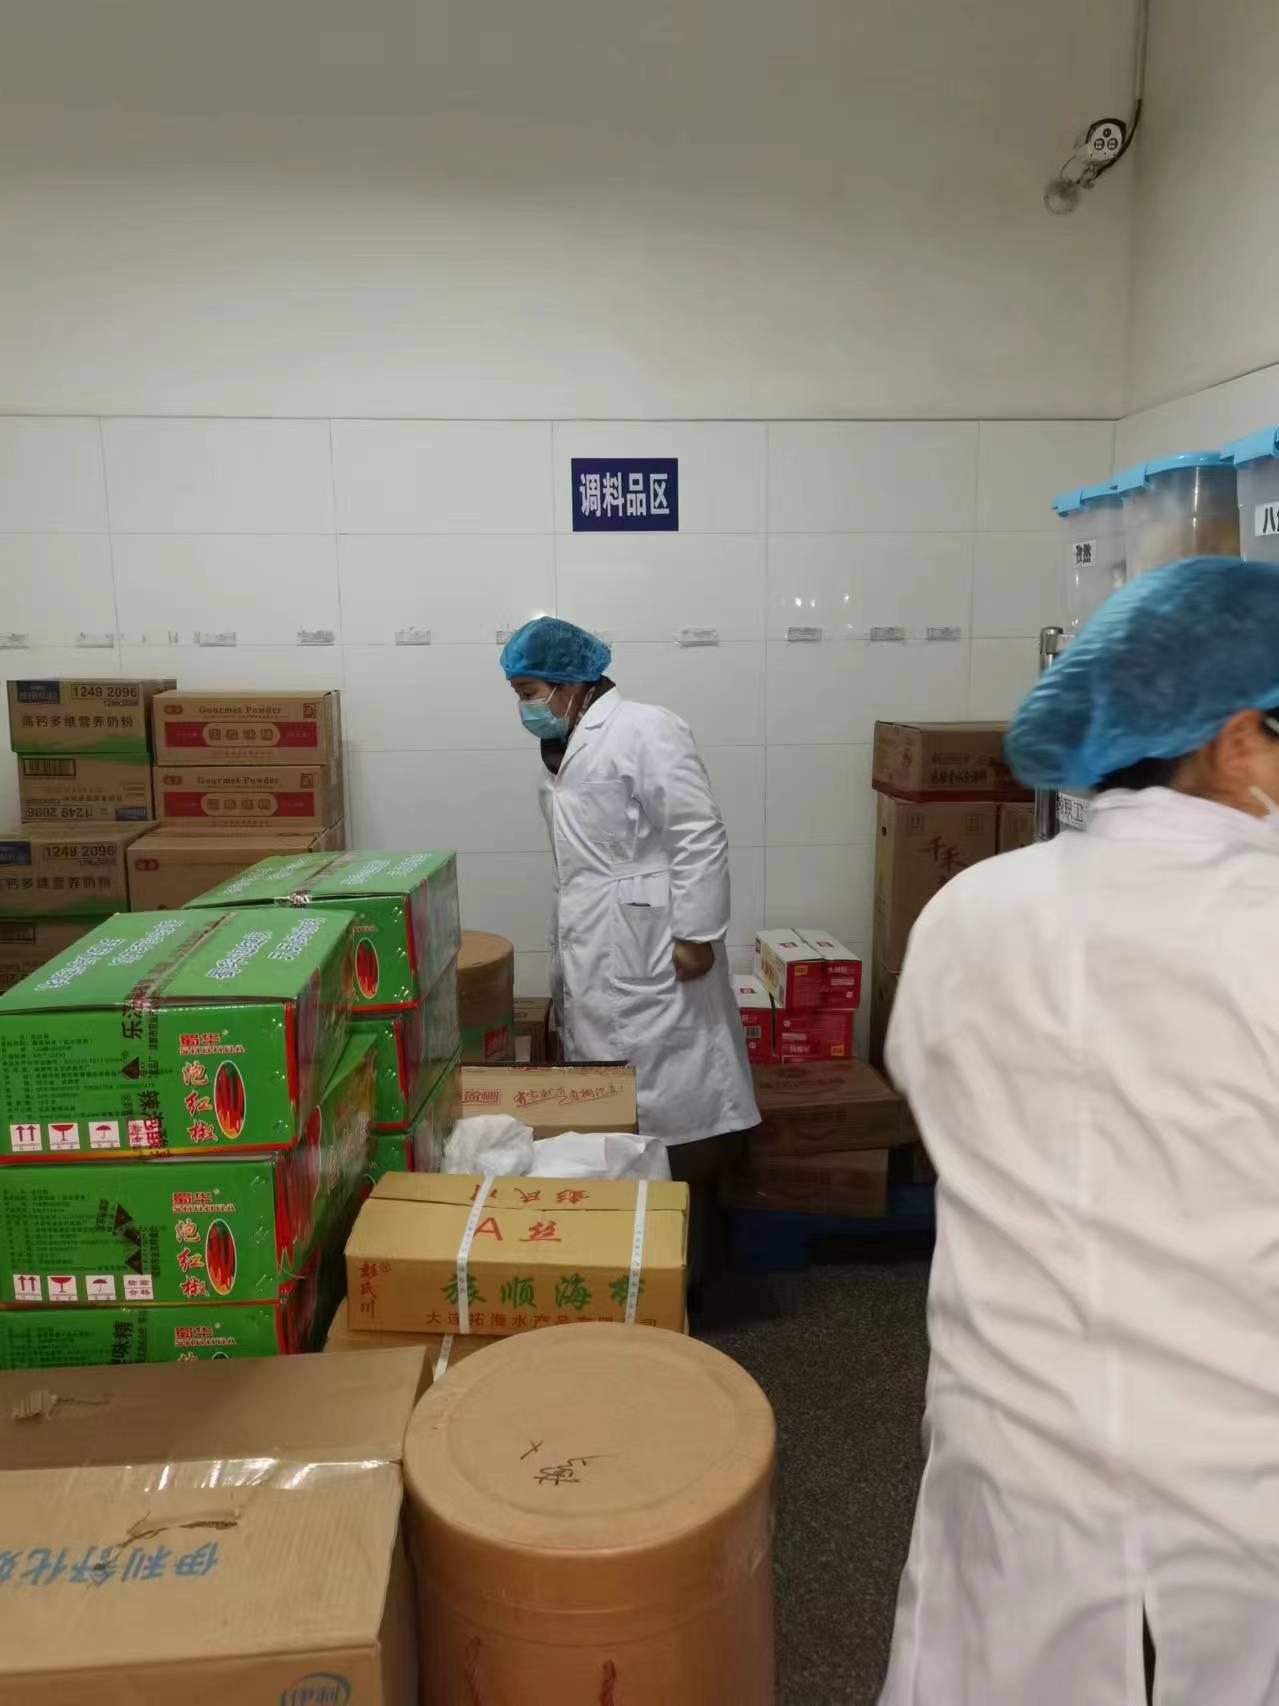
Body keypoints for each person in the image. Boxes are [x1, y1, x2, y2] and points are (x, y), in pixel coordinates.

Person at [878, 557, 1279, 1706]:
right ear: (1235, 742)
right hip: (1223, 1484)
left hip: (1007, 1448)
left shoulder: (967, 912)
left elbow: (936, 1096)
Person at [499, 616, 759, 1279]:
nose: (525, 708)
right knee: (617, 1103)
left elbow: (697, 829)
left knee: (677, 1102)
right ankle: (635, 1265)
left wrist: (696, 934)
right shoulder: (566, 744)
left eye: (529, 692)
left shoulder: (646, 727)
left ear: (569, 683)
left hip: (655, 946)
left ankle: (689, 1273)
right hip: (601, 937)